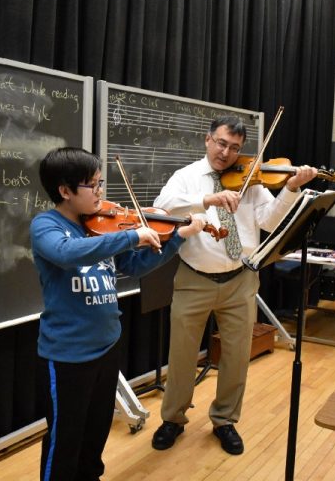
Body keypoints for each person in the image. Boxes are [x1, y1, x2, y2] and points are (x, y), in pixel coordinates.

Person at [30, 147, 204, 481]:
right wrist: (131, 235)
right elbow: (66, 254)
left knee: (95, 433)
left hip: (107, 347)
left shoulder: (102, 228)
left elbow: (137, 265)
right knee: (65, 440)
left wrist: (176, 239)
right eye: (91, 186)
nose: (99, 192)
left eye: (100, 183)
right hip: (67, 355)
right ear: (65, 191)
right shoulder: (46, 226)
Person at [151, 116, 318, 455]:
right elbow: (164, 207)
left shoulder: (252, 181)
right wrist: (207, 201)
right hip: (194, 278)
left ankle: (225, 421)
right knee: (182, 355)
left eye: (235, 148)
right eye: (221, 143)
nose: (226, 153)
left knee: (237, 357)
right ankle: (173, 419)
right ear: (207, 139)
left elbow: (269, 221)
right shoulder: (186, 177)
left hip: (240, 279)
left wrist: (290, 189)